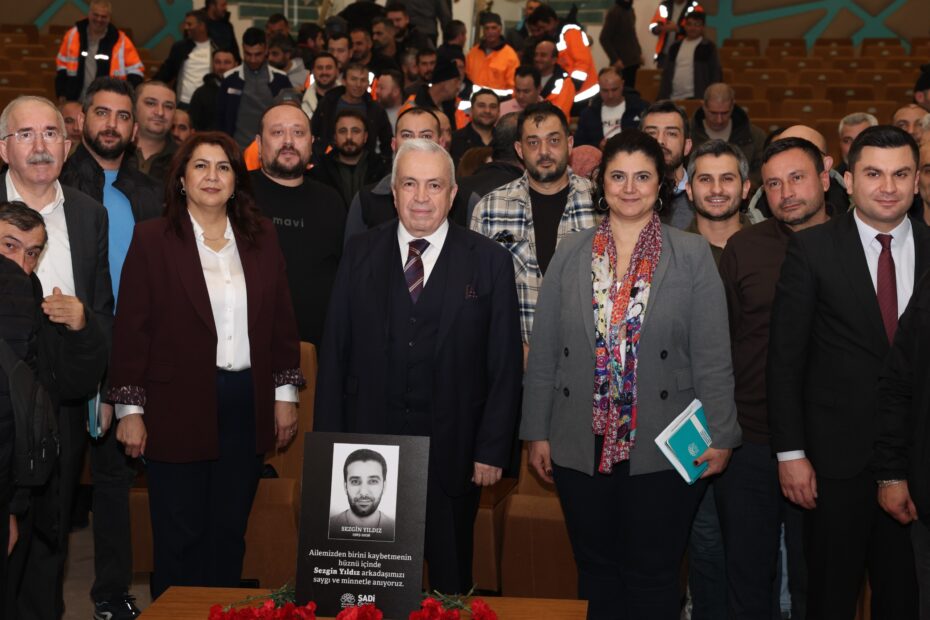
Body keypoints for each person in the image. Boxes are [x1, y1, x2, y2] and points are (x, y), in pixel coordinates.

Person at [521, 128, 740, 620]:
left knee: (654, 573)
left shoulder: (692, 254)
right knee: (596, 569)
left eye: (643, 176)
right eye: (618, 176)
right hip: (580, 440)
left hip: (664, 443)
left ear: (661, 184)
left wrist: (723, 434)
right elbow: (546, 351)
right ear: (601, 182)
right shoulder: (570, 252)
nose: (629, 187)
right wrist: (536, 432)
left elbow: (713, 356)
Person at [315, 138, 522, 593]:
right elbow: (334, 355)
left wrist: (492, 450)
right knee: (368, 593)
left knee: (450, 586)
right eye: (409, 184)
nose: (421, 197)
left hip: (454, 456)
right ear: (394, 192)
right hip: (368, 456)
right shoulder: (359, 253)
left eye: (434, 185)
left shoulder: (489, 261)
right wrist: (330, 448)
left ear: (453, 194)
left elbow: (504, 366)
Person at [107, 131, 304, 599]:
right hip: (175, 404)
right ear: (181, 179)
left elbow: (281, 320)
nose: (212, 176)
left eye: (223, 167)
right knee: (179, 533)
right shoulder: (152, 239)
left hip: (245, 403)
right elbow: (132, 328)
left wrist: (285, 396)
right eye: (200, 166)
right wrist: (129, 411)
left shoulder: (261, 238)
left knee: (228, 530)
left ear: (236, 181)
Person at [768, 125, 926, 619]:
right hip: (833, 467)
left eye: (901, 174)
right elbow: (785, 361)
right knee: (831, 599)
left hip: (917, 463)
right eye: (874, 174)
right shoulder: (812, 250)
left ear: (917, 181)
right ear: (849, 180)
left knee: (906, 599)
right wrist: (791, 453)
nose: (888, 187)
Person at [710, 136, 835, 620]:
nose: (787, 193)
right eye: (774, 184)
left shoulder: (851, 243)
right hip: (751, 441)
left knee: (818, 578)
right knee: (746, 575)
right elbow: (721, 345)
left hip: (827, 442)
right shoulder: (745, 248)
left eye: (797, 178)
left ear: (825, 177)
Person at [0, 95, 113, 620]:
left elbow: (104, 309)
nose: (41, 145)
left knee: (50, 539)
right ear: (4, 148)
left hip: (61, 401)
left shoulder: (90, 214)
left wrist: (103, 383)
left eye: (51, 133)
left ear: (68, 146)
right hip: (0, 403)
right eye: (26, 134)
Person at [57, 76, 163, 620]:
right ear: (82, 119)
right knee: (52, 482)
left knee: (116, 481)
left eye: (123, 116)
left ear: (134, 127)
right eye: (102, 113)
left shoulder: (151, 193)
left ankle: (111, 593)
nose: (112, 125)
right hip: (67, 348)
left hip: (131, 351)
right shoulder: (57, 184)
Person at [471, 102, 596, 358]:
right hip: (516, 362)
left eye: (553, 140)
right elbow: (476, 294)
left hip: (588, 363)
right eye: (533, 142)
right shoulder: (490, 209)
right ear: (519, 149)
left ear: (570, 143)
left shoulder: (599, 205)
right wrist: (512, 350)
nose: (544, 152)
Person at [251, 103, 345, 348]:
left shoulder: (331, 201)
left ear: (311, 143)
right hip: (248, 348)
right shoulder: (237, 196)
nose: (288, 141)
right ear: (259, 144)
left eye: (298, 132)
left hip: (318, 349)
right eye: (277, 132)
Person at [343, 106, 442, 241]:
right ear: (394, 144)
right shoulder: (366, 200)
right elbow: (352, 252)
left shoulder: (461, 199)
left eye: (426, 136)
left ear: (440, 143)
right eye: (407, 135)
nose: (416, 143)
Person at [55, 0, 145, 102]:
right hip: (75, 99)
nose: (99, 19)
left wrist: (127, 96)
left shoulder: (121, 40)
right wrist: (62, 92)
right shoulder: (72, 35)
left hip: (108, 100)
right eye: (96, 15)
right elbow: (62, 66)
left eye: (103, 16)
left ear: (109, 18)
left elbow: (136, 72)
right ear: (89, 14)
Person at [216, 28, 292, 149]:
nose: (253, 59)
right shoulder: (229, 79)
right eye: (248, 54)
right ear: (242, 48)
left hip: (271, 148)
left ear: (266, 50)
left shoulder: (281, 80)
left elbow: (290, 115)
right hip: (237, 148)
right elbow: (220, 119)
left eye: (257, 54)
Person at [690, 83, 766, 191]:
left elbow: (762, 172)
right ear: (703, 106)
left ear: (732, 106)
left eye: (724, 113)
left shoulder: (755, 136)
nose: (719, 120)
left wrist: (740, 187)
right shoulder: (688, 135)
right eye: (713, 113)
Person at [312, 63, 392, 160]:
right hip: (328, 162)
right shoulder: (328, 103)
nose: (358, 84)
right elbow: (313, 132)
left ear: (368, 83)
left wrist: (383, 162)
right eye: (354, 79)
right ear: (344, 81)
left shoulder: (375, 109)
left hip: (365, 164)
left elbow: (387, 141)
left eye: (363, 80)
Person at [312, 109, 389, 207]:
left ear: (365, 137)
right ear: (335, 137)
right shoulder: (320, 171)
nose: (349, 137)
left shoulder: (382, 170)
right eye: (342, 131)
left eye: (355, 131)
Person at [525, 5, 598, 104]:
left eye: (543, 27)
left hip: (583, 92)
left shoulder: (570, 32)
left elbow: (582, 61)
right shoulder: (557, 35)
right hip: (572, 91)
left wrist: (574, 85)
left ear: (551, 21)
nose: (543, 31)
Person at [640, 100, 693, 229]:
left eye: (671, 133)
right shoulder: (625, 195)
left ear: (687, 146)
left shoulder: (702, 196)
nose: (660, 141)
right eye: (651, 133)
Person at [328, 449, 396, 541]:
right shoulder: (328, 527)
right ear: (345, 486)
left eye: (373, 481)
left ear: (384, 486)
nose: (363, 492)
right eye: (355, 481)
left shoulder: (395, 530)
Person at [154, 10, 216, 108]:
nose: (186, 27)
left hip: (207, 104)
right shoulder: (180, 47)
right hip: (183, 102)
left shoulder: (216, 48)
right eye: (185, 24)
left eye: (189, 24)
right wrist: (151, 83)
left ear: (202, 26)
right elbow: (166, 72)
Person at [574, 68, 647, 148]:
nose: (610, 95)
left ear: (622, 84)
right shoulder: (588, 115)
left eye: (614, 90)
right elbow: (579, 144)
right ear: (599, 87)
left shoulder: (640, 109)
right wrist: (597, 145)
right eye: (605, 90)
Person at [657, 12, 721, 101]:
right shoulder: (675, 47)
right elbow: (666, 73)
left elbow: (715, 74)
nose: (692, 28)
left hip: (697, 98)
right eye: (689, 24)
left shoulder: (708, 47)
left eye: (697, 25)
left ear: (703, 27)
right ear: (685, 26)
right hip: (672, 97)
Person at [132, 80, 178, 184]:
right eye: (151, 103)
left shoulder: (183, 160)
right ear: (134, 107)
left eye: (168, 106)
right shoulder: (113, 149)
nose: (160, 112)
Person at [465, 13, 520, 97]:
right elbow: (466, 80)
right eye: (487, 28)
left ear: (500, 29)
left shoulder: (510, 56)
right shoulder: (473, 53)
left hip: (500, 103)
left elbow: (513, 87)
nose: (490, 32)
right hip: (474, 101)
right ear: (483, 31)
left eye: (494, 28)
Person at [189, 49, 237, 132]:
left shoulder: (245, 90)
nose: (222, 67)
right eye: (217, 62)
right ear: (212, 65)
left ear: (236, 65)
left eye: (227, 62)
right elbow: (194, 125)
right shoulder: (201, 93)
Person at [450, 89, 499, 168]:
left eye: (493, 106)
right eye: (481, 105)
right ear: (471, 109)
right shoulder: (454, 140)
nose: (487, 111)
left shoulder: (506, 141)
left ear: (499, 111)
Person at [599, 0, 642, 88]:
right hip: (622, 64)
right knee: (623, 91)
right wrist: (615, 59)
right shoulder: (614, 12)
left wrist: (639, 52)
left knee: (633, 92)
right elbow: (604, 38)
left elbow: (632, 34)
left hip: (634, 61)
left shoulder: (630, 10)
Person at [649, 0, 704, 67]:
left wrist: (677, 29)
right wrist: (659, 28)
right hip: (664, 54)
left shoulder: (695, 7)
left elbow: (697, 31)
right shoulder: (665, 5)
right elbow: (653, 26)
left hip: (685, 54)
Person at [531, 39, 575, 119]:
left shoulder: (565, 82)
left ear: (554, 60)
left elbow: (560, 112)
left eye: (543, 55)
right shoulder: (528, 77)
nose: (537, 58)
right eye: (536, 54)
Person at [300, 52, 341, 122]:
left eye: (329, 68)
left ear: (337, 71)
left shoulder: (348, 97)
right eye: (319, 68)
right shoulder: (301, 99)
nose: (324, 72)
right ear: (313, 71)